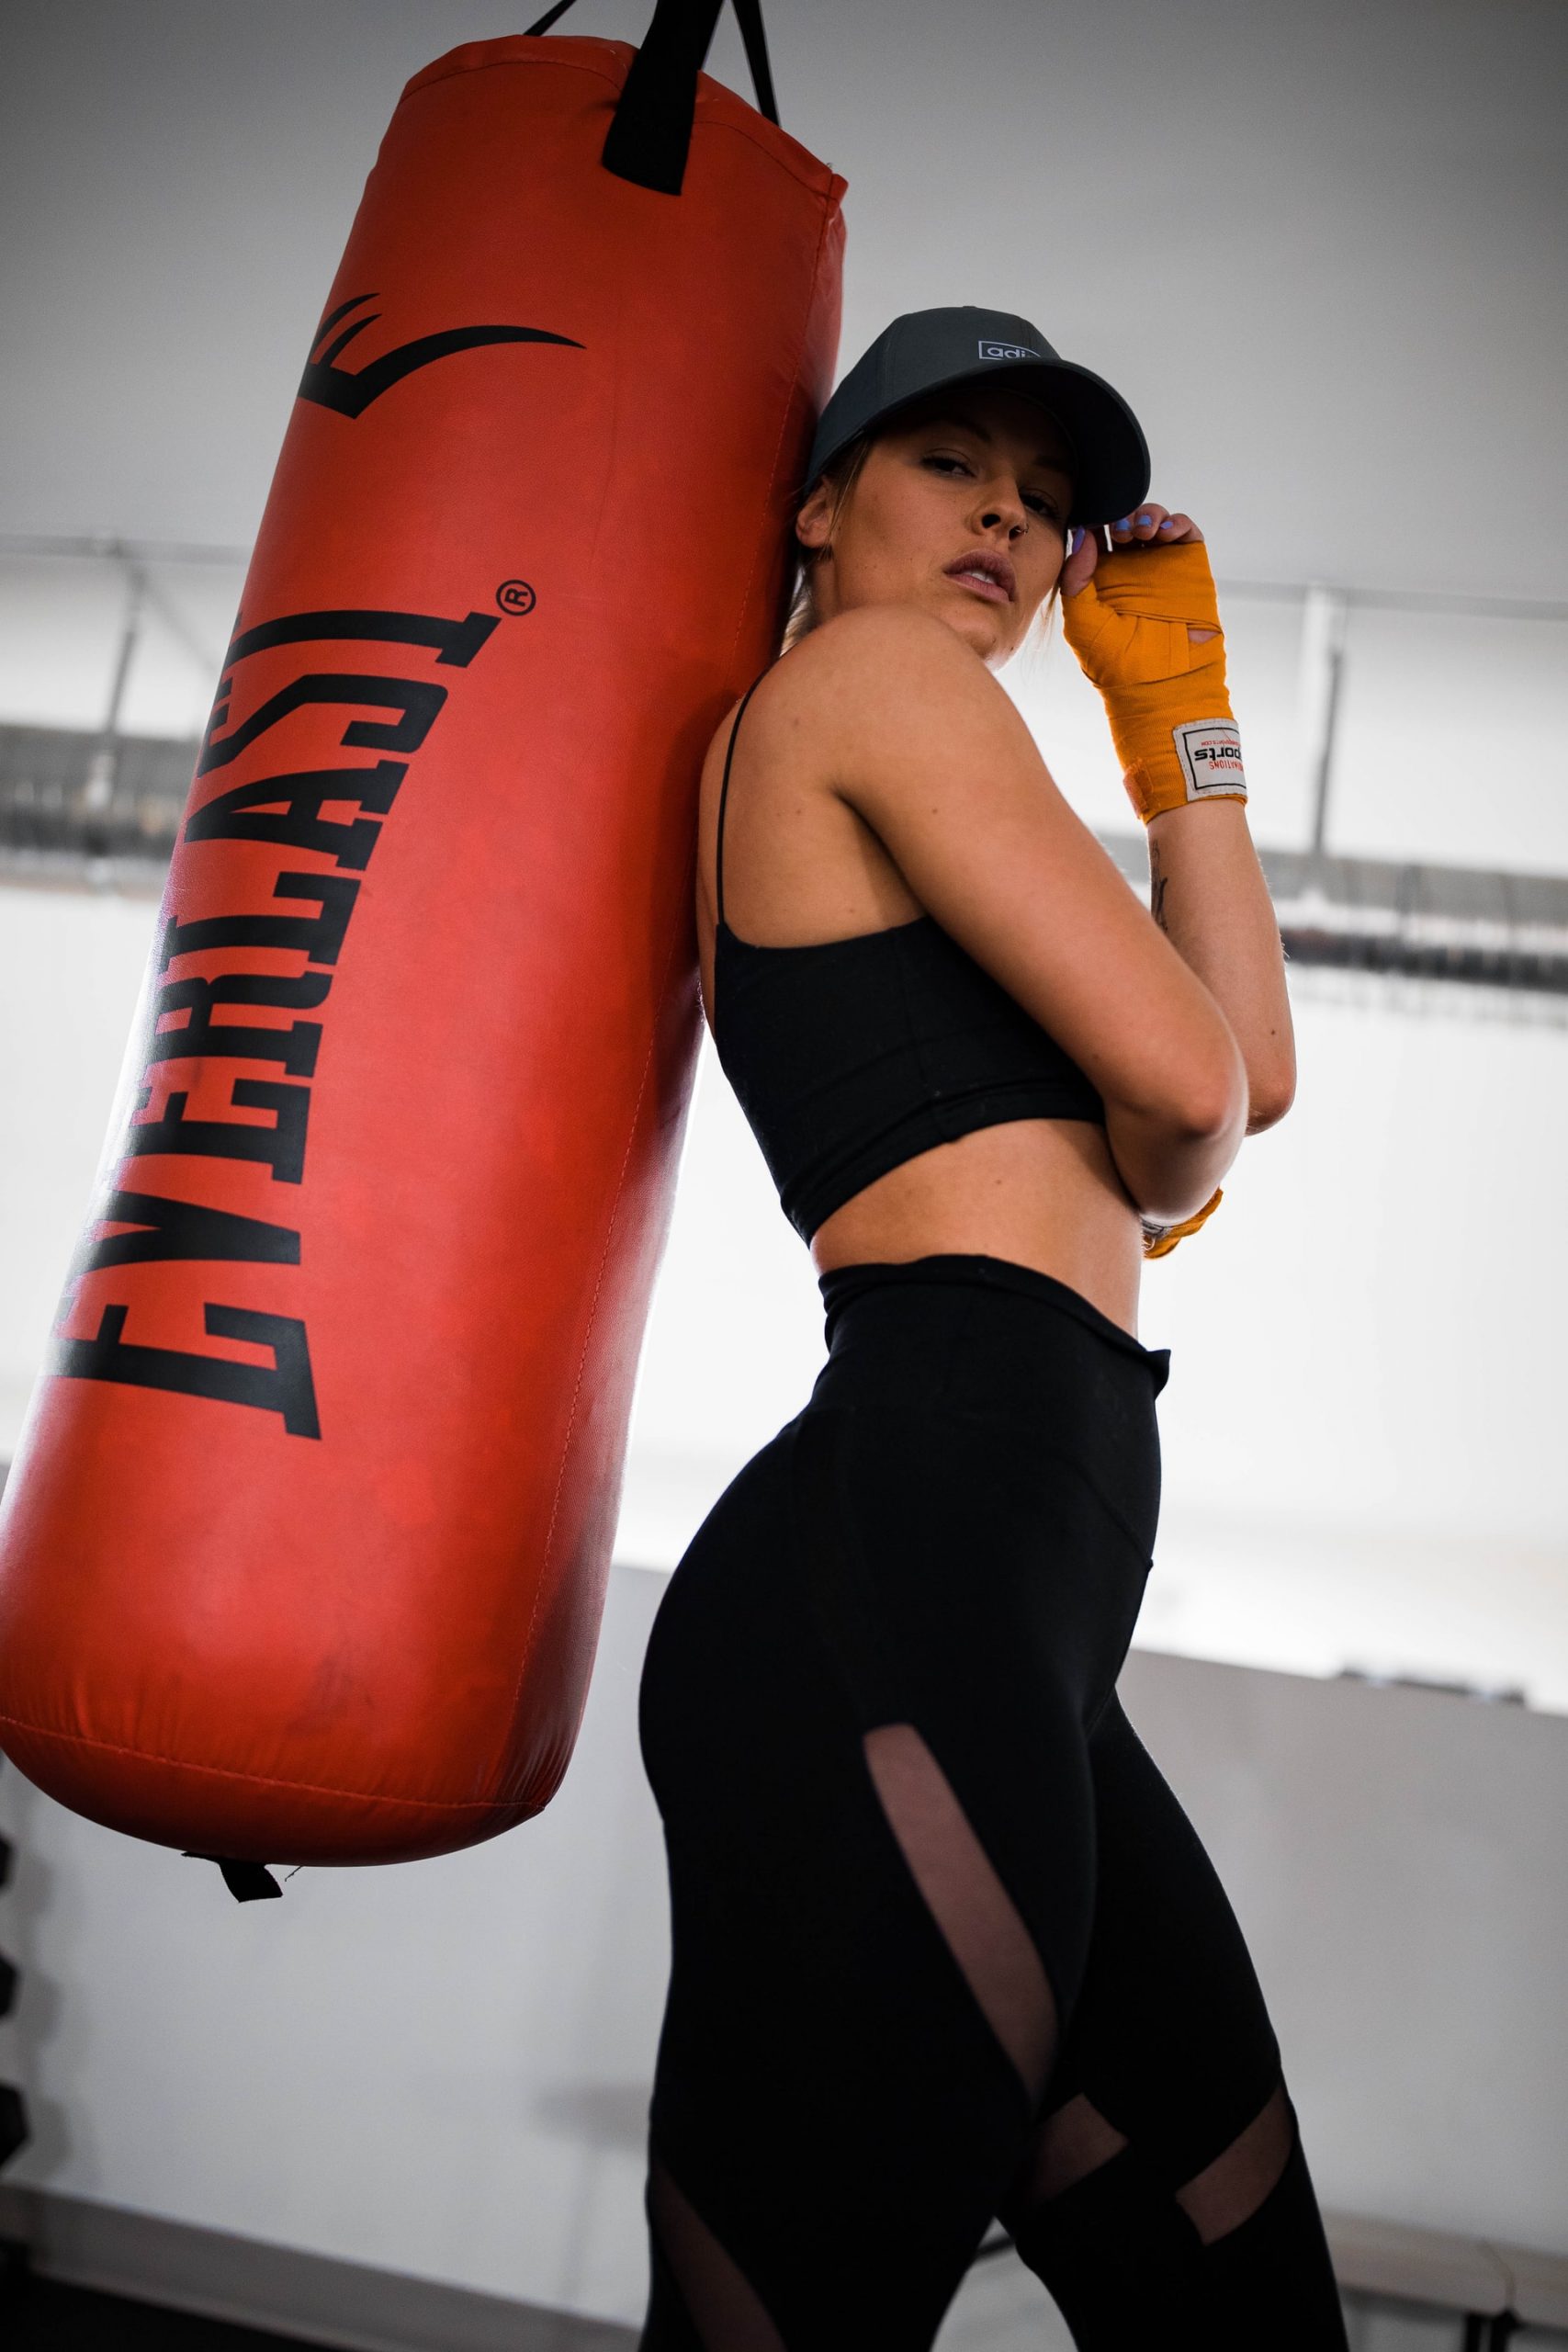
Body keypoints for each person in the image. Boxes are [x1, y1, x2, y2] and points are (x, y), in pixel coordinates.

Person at [636, 307, 1348, 2350]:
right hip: (903, 1580)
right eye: (951, 464)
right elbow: (1189, 1088)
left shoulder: (890, 744)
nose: (1010, 523)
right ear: (817, 508)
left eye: (1042, 503)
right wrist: (1167, 1139)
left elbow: (1242, 1076)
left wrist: (1180, 722)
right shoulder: (868, 680)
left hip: (995, 1615)